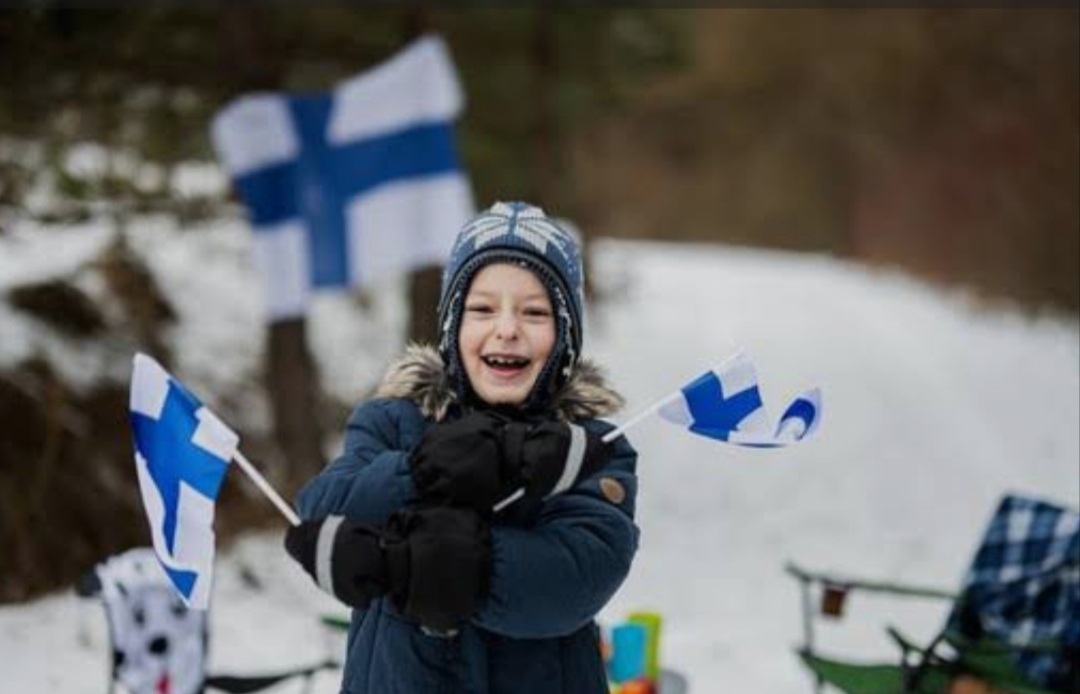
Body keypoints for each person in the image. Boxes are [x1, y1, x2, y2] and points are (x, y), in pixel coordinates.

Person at [284, 201, 639, 694]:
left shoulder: (589, 448)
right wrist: (424, 471)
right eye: (482, 309)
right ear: (453, 326)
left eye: (534, 312)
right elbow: (325, 512)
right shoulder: (391, 421)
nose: (507, 328)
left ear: (565, 336)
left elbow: (577, 575)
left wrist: (420, 564)